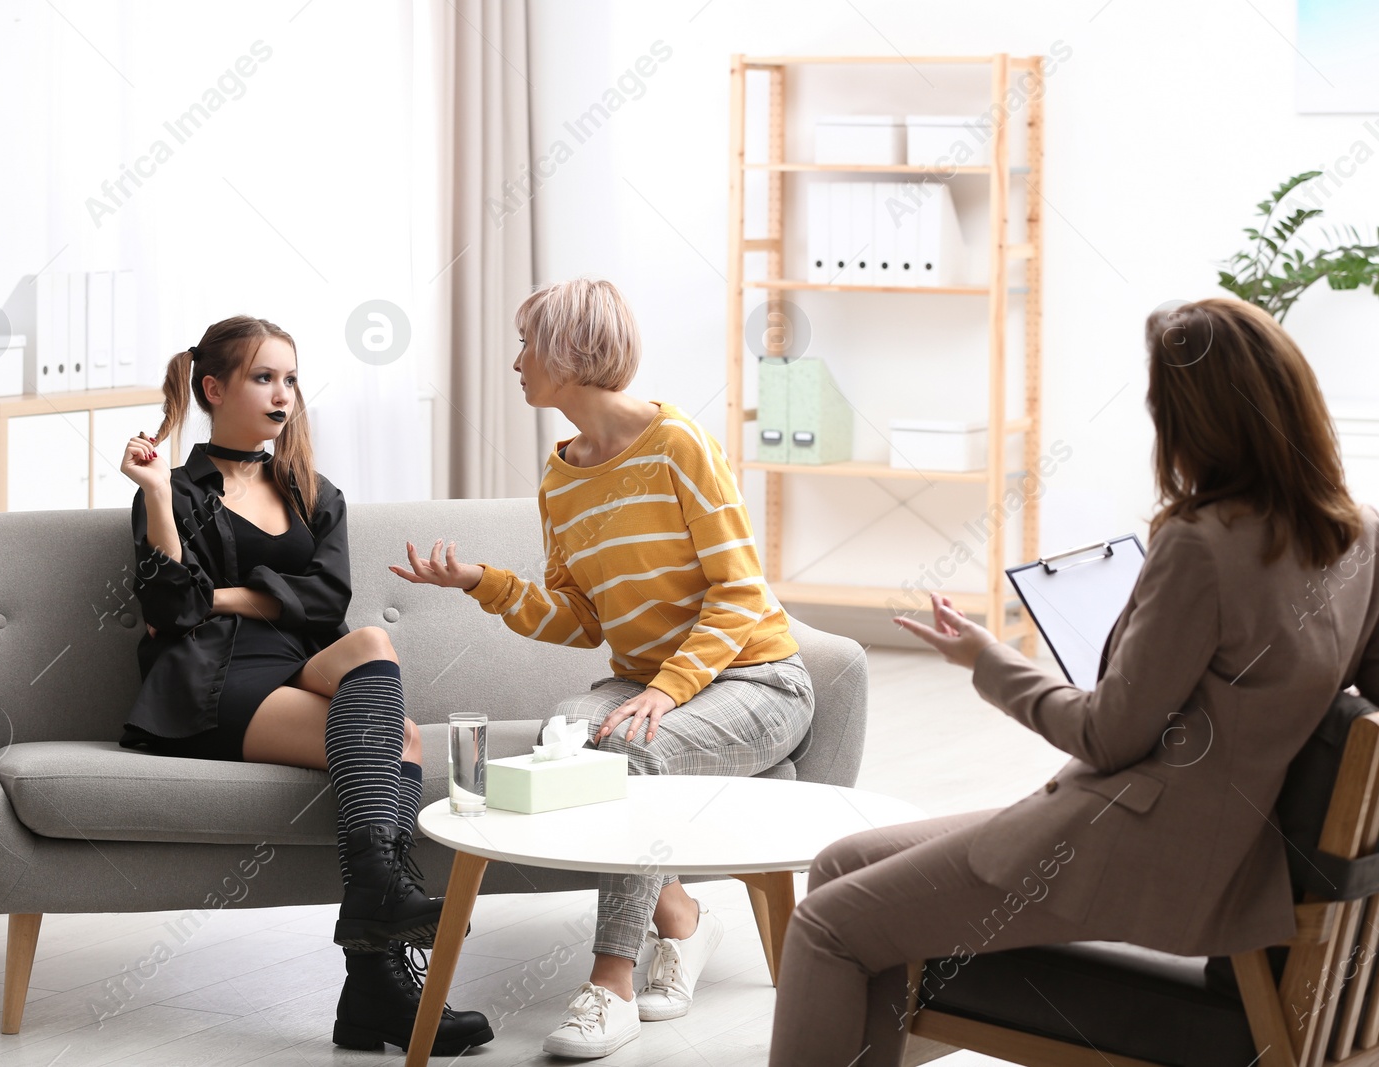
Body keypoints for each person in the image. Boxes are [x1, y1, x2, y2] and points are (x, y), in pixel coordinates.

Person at [767, 297, 1379, 1066]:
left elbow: (1107, 735)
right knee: (840, 864)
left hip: (1137, 847)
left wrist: (989, 662)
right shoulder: (1359, 535)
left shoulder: (1200, 545)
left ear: (1195, 421)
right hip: (1214, 843)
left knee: (825, 924)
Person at [391, 277, 815, 1058]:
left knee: (633, 746)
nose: (516, 360)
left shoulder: (678, 446)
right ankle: (682, 918)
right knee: (569, 736)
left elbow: (740, 591)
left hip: (758, 679)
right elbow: (580, 618)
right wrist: (481, 582)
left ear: (570, 352)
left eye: (527, 343)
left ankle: (610, 982)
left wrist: (665, 689)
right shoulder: (561, 477)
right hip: (647, 680)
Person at [118, 314, 492, 1056]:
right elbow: (170, 607)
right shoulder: (179, 490)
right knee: (405, 739)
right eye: (263, 377)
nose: (282, 393)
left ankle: (372, 946)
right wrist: (157, 495)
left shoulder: (315, 492)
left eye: (290, 378)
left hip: (291, 659)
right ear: (214, 388)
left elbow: (326, 601)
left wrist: (220, 590)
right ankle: (379, 980)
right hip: (210, 679)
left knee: (373, 644)